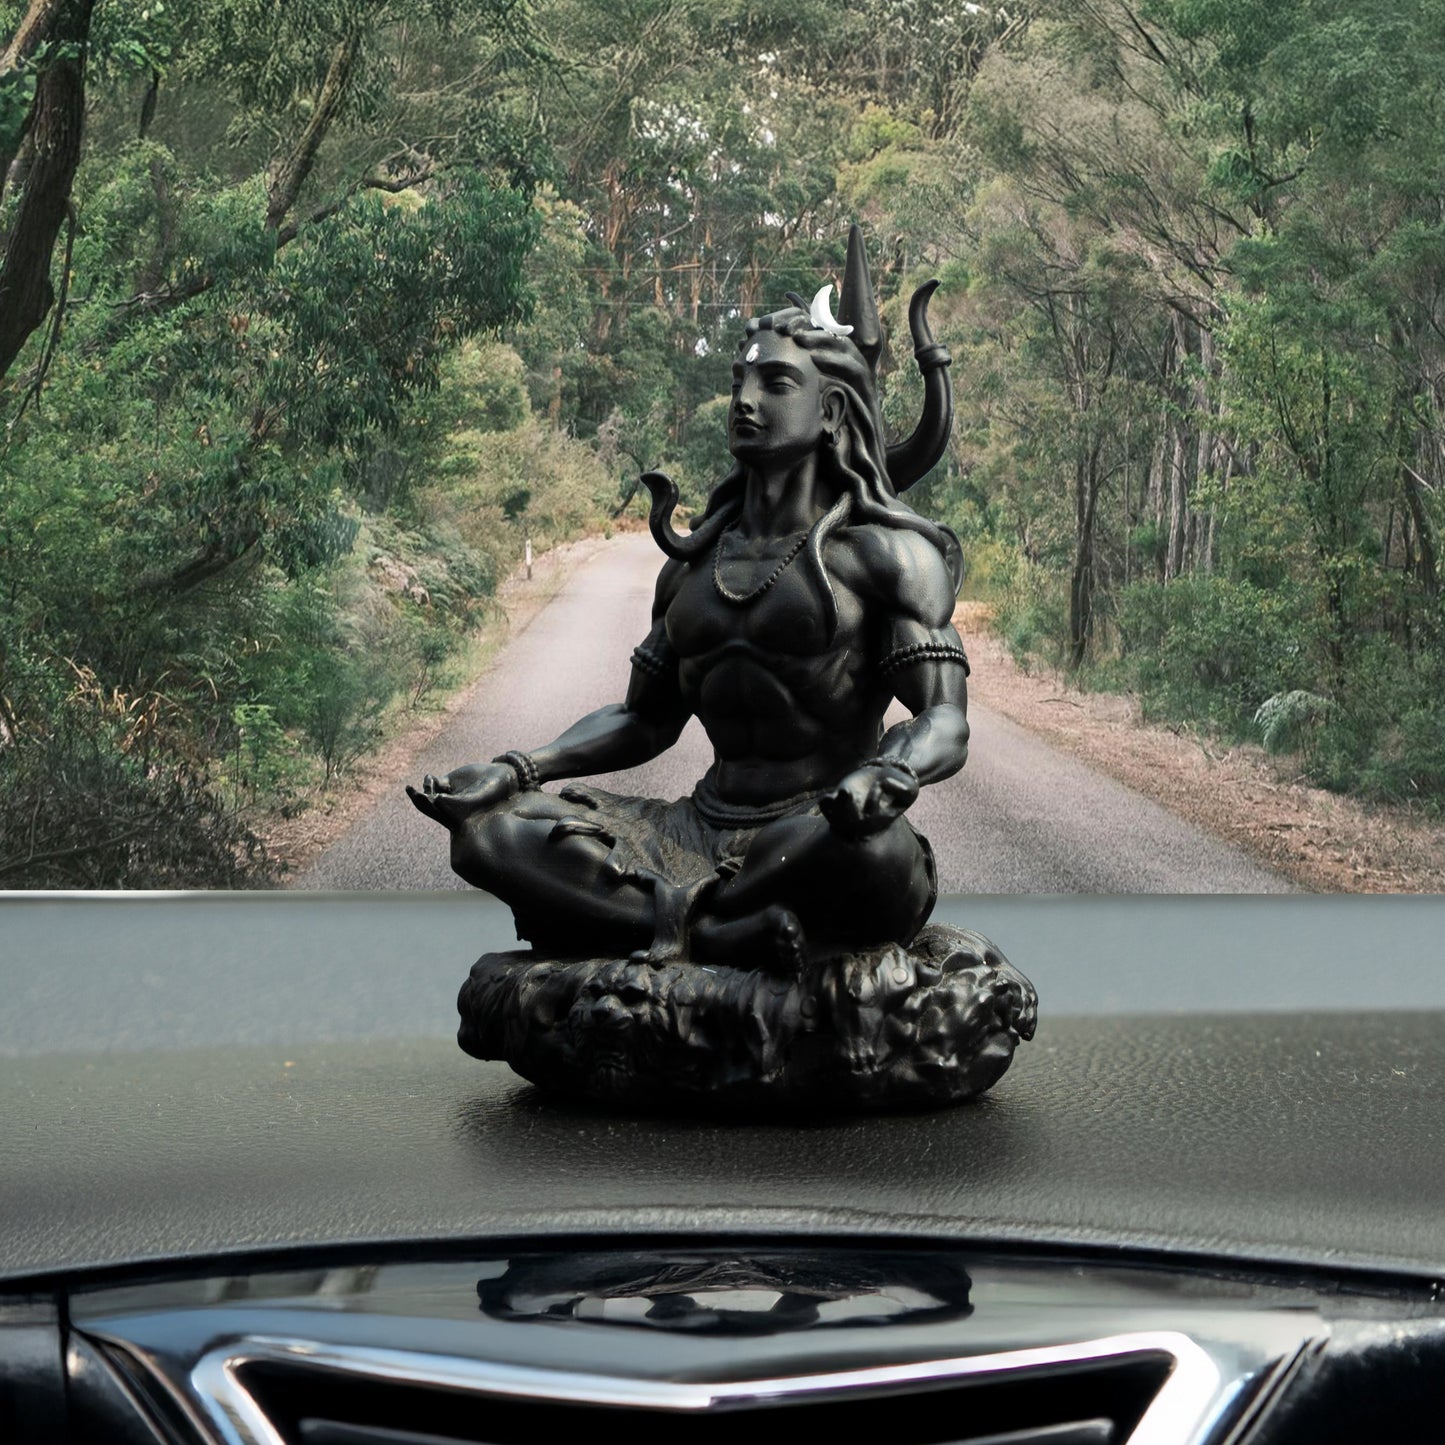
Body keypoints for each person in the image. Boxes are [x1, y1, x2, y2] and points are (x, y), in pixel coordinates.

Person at [409, 251, 969, 973]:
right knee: (487, 835)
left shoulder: (883, 557)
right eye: (740, 380)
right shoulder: (690, 566)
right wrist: (517, 768)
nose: (745, 401)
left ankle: (661, 924)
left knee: (878, 854)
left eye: (775, 383)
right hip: (694, 831)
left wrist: (886, 777)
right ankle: (722, 931)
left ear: (829, 411)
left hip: (820, 829)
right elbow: (643, 718)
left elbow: (945, 722)